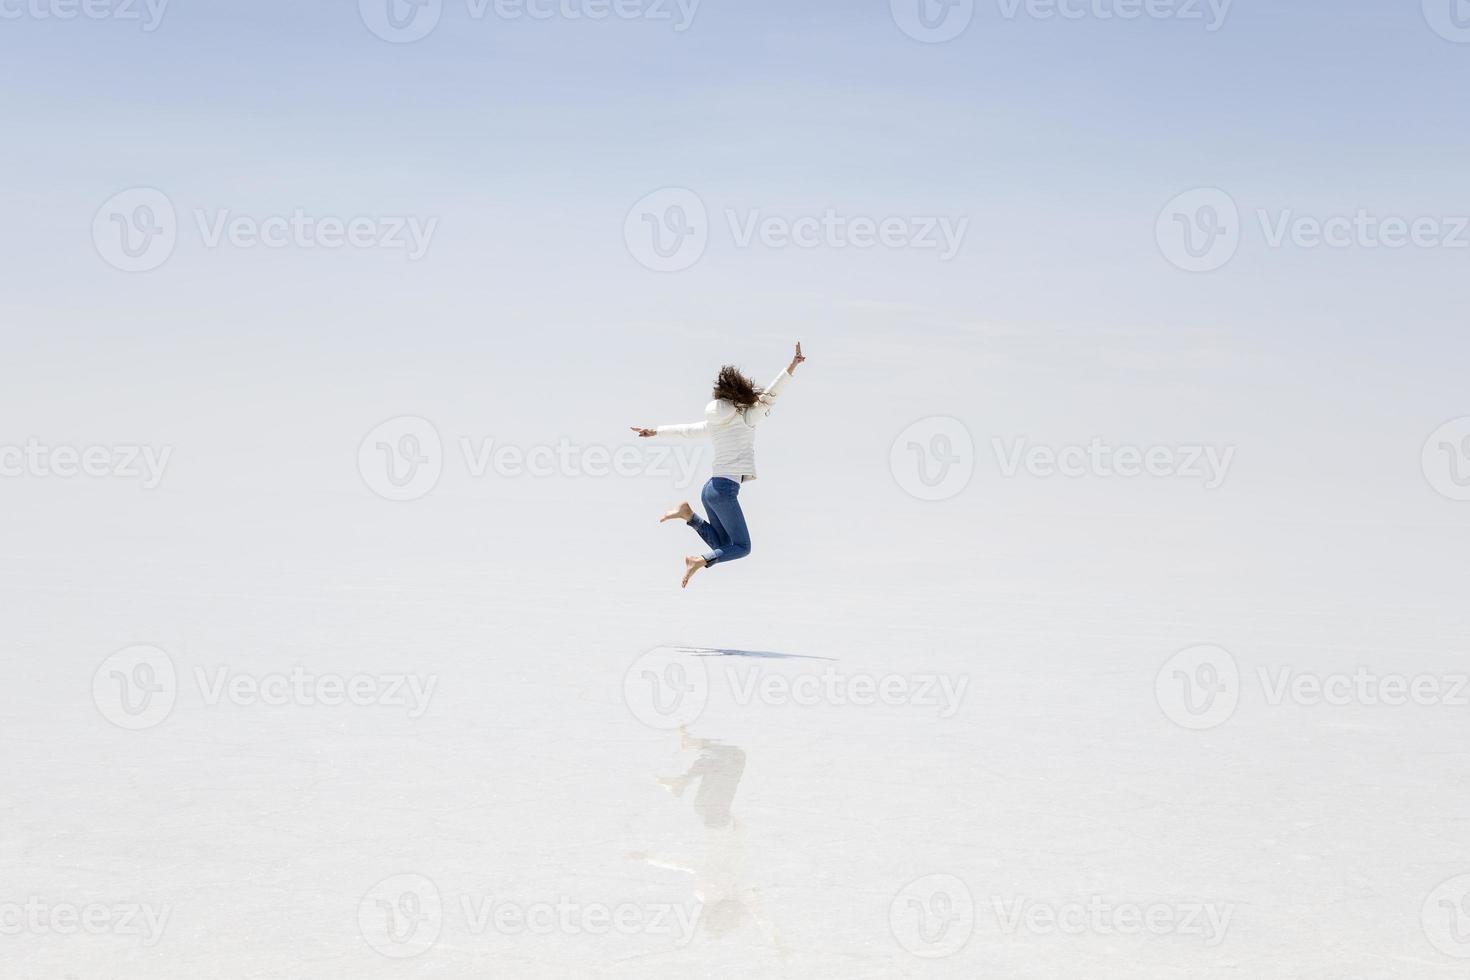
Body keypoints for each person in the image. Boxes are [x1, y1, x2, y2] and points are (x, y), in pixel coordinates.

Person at [631, 343, 806, 588]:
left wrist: (655, 431)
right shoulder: (747, 415)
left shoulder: (714, 423)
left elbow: (686, 431)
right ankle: (697, 560)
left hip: (710, 489)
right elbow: (771, 395)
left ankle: (689, 515)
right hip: (724, 491)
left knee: (723, 546)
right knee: (742, 547)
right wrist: (792, 366)